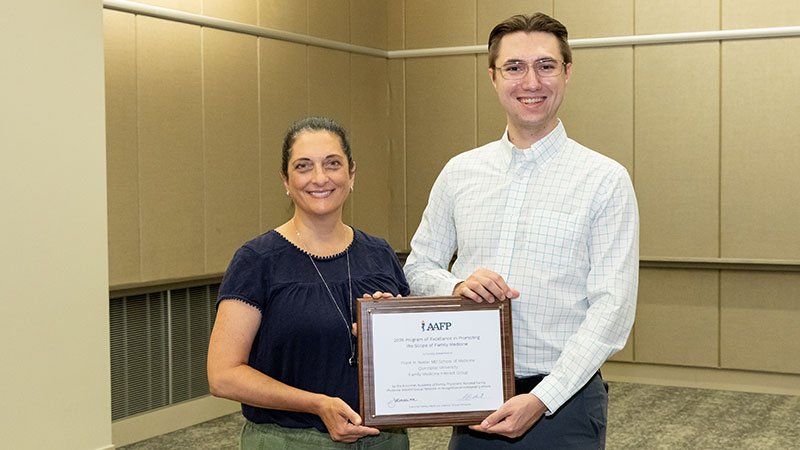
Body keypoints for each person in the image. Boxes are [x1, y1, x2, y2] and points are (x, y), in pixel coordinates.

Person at [403, 13, 639, 449]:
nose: (531, 81)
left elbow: (612, 310)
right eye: (514, 67)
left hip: (564, 402)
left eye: (546, 65)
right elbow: (419, 266)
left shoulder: (604, 179)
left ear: (567, 72)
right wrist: (456, 285)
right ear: (493, 77)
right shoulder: (460, 173)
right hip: (473, 396)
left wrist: (541, 399)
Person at [208, 117, 410, 449]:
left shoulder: (379, 254)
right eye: (304, 166)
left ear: (351, 174)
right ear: (286, 180)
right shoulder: (257, 260)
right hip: (291, 440)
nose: (320, 178)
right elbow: (223, 375)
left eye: (332, 164)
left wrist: (390, 334)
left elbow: (410, 358)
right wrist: (316, 404)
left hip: (384, 440)